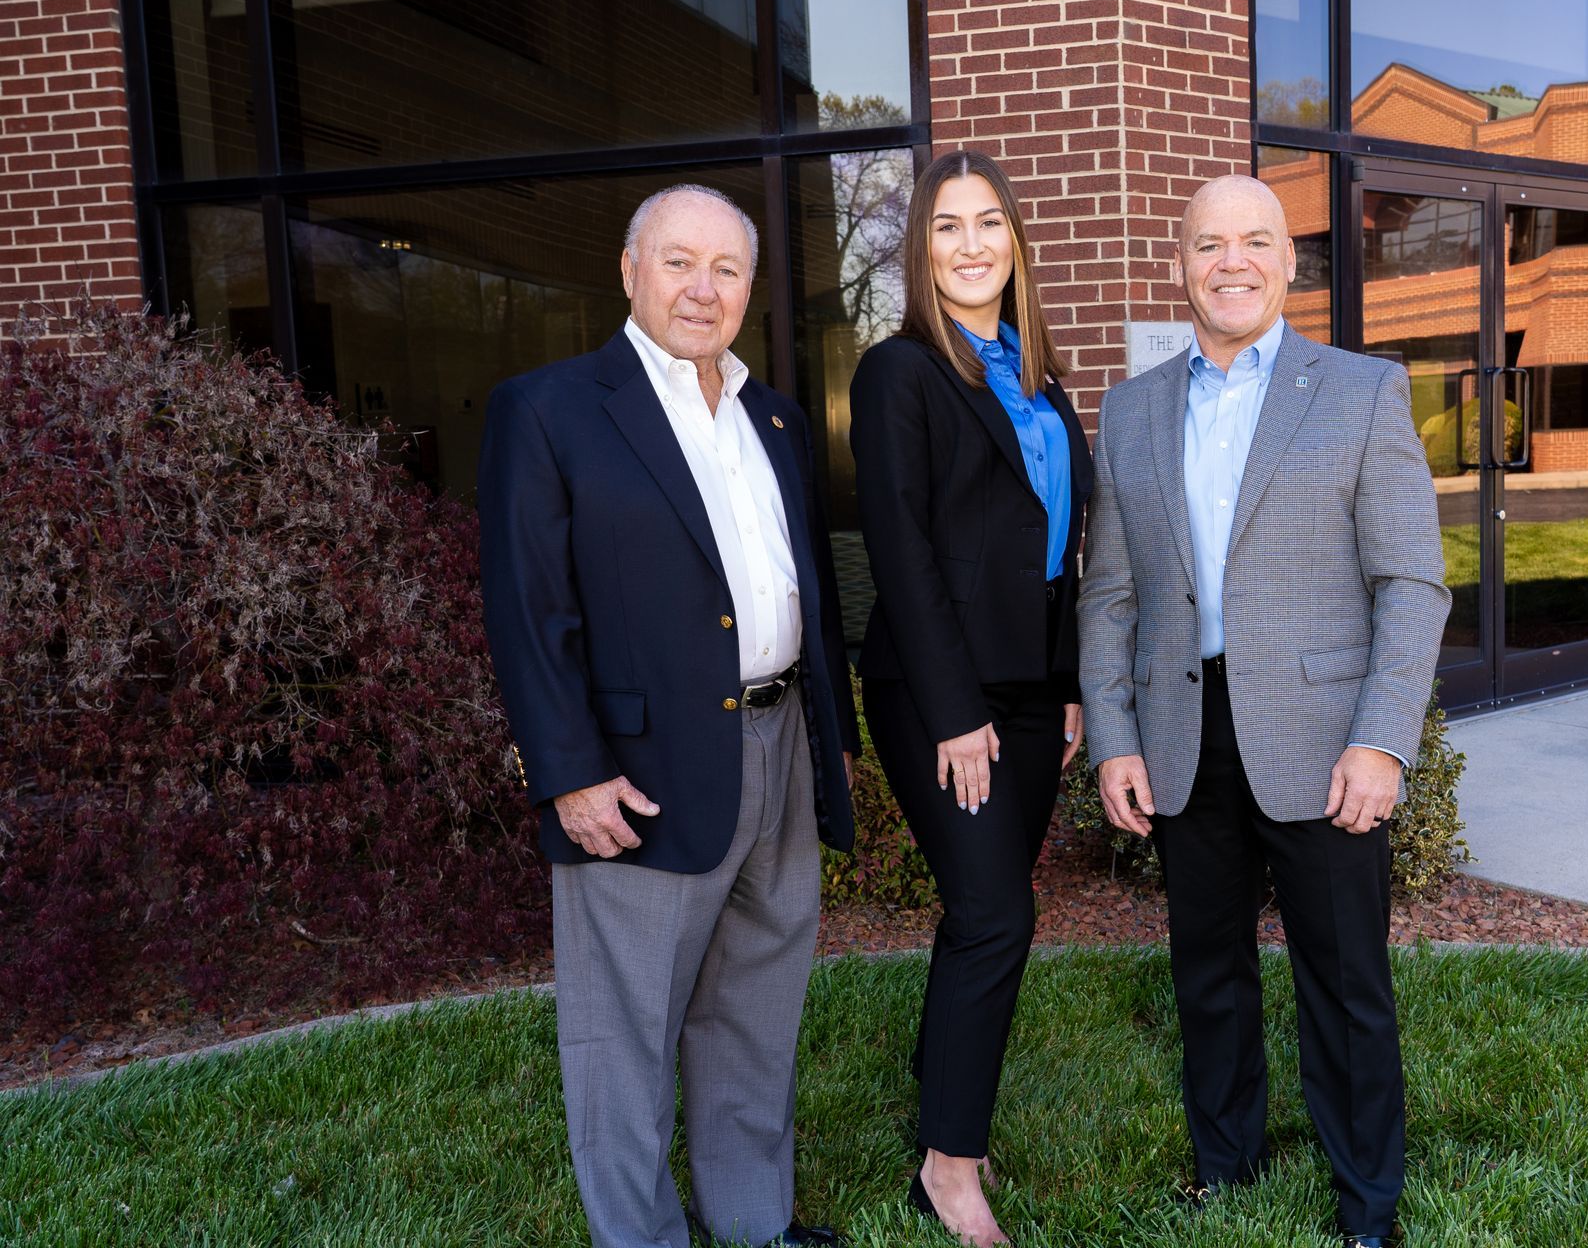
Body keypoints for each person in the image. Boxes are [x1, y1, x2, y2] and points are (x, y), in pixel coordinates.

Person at [478, 183, 858, 1248]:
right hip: (636, 767)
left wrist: (831, 741)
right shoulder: (550, 408)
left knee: (757, 1003)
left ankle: (752, 1219)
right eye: (679, 261)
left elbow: (808, 587)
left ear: (750, 287)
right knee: (626, 1028)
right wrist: (568, 771)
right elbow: (527, 606)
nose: (702, 287)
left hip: (781, 743)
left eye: (726, 268)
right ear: (629, 270)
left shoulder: (774, 415)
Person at [1077, 174, 1449, 1248]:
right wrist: (1113, 739)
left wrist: (1382, 739)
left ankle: (1366, 1202)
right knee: (1208, 972)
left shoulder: (1363, 391)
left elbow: (1412, 582)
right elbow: (1111, 597)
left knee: (1345, 979)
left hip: (1324, 739)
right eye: (1208, 244)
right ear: (1181, 265)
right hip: (1183, 735)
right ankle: (1226, 1168)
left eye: (1254, 241)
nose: (1230, 261)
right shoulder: (1132, 409)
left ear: (1291, 261)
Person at [848, 148, 1091, 1248]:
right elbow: (899, 551)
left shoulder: (1038, 377)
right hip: (940, 690)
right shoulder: (899, 372)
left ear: (1015, 239)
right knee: (997, 915)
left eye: (989, 221)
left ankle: (946, 1107)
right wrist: (955, 711)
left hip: (1034, 689)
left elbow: (1063, 545)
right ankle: (948, 1169)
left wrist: (1071, 682)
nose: (971, 244)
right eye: (947, 226)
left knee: (983, 913)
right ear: (921, 249)